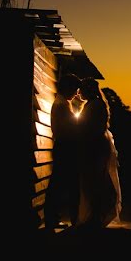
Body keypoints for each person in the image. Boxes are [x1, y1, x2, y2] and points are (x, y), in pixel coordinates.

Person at [76, 78, 122, 229]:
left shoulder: (95, 105)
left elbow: (90, 127)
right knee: (95, 181)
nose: (79, 92)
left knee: (95, 181)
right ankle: (95, 215)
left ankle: (96, 216)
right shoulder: (94, 104)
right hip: (95, 145)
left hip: (94, 147)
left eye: (81, 89)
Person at [43, 72, 81, 230]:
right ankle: (55, 218)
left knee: (59, 184)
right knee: (61, 184)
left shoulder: (62, 102)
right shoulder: (61, 105)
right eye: (74, 89)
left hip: (63, 147)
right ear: (68, 87)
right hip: (64, 148)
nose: (76, 93)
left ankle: (54, 217)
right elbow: (68, 128)